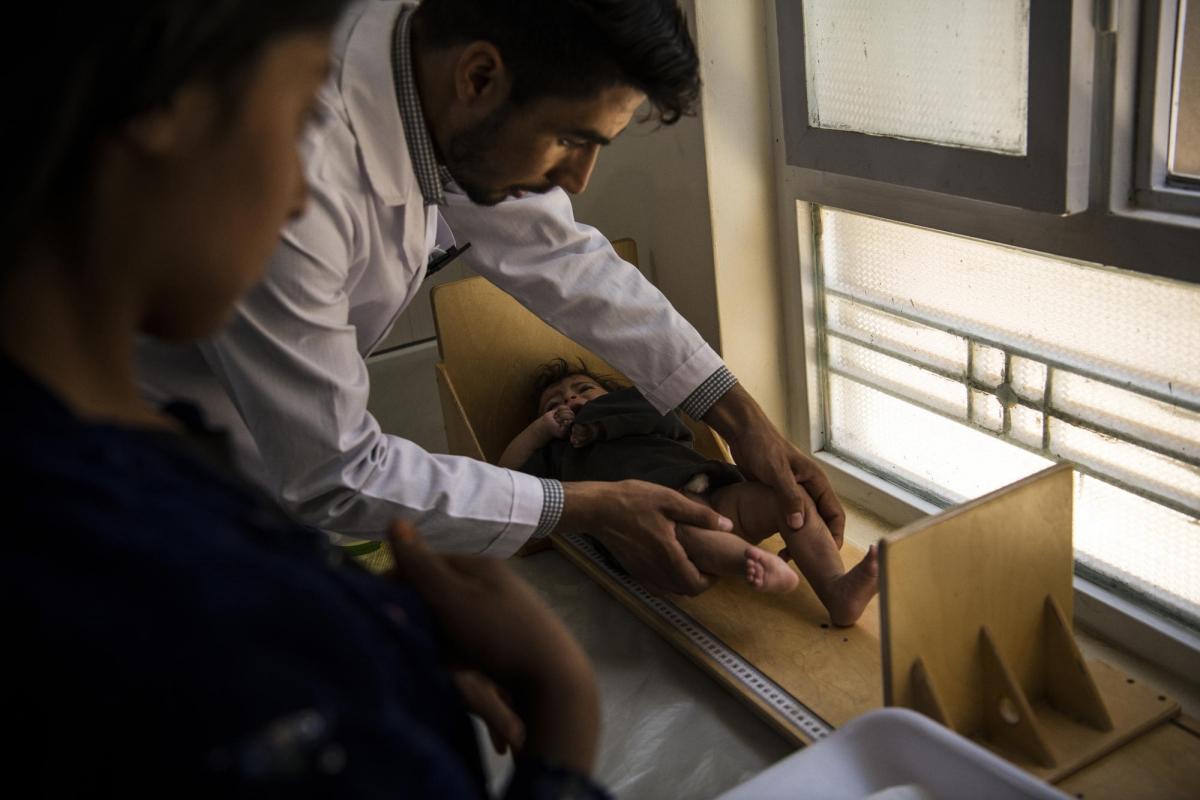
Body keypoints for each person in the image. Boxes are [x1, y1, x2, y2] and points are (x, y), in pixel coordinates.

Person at [1, 3, 607, 796]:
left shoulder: (115, 466)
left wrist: (366, 631)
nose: (297, 194)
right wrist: (563, 729)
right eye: (296, 118)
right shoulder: (215, 639)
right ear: (162, 110)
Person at [137, 0, 847, 597]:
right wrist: (587, 506)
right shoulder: (297, 181)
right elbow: (337, 472)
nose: (579, 180)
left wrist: (739, 414)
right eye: (571, 139)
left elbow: (562, 257)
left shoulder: (432, 81)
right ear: (479, 76)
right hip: (164, 454)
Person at [500, 360, 879, 624]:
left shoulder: (636, 407)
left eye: (583, 389)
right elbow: (508, 476)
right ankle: (749, 562)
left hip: (712, 487)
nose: (570, 401)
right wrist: (542, 431)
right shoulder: (558, 453)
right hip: (645, 520)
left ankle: (837, 589)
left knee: (788, 498)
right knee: (686, 534)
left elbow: (663, 413)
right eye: (555, 404)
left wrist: (599, 423)